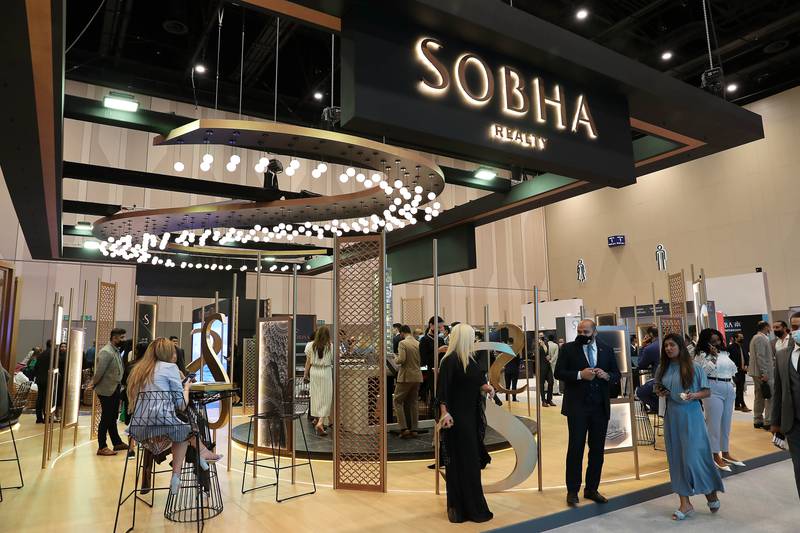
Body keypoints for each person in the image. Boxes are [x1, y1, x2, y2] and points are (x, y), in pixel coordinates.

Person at [126, 338, 222, 495]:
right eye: (174, 351)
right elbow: (181, 404)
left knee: (183, 429)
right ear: (168, 353)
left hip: (139, 429)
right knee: (187, 425)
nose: (176, 355)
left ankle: (194, 459)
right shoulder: (170, 368)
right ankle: (186, 466)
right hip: (163, 425)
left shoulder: (140, 369)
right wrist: (186, 387)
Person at [655, 333, 724, 520]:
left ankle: (710, 491)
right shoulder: (662, 368)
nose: (668, 348)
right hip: (672, 417)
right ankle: (685, 503)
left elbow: (707, 392)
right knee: (676, 459)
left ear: (680, 346)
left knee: (695, 457)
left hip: (692, 416)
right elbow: (657, 388)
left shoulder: (695, 367)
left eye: (672, 345)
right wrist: (660, 391)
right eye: (666, 346)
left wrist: (694, 395)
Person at [554, 319, 620, 507]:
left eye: (586, 332)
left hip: (599, 407)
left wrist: (607, 375)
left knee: (597, 450)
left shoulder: (606, 349)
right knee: (575, 449)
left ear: (594, 332)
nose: (582, 335)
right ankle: (572, 490)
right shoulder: (568, 349)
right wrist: (579, 375)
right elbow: (558, 373)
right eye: (580, 331)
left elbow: (616, 374)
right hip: (577, 408)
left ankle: (592, 488)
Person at [437, 323, 494, 523]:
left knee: (470, 463)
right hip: (457, 419)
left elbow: (477, 382)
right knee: (460, 462)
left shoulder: (470, 360)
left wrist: (487, 387)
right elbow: (442, 391)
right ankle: (460, 507)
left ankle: (471, 505)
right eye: (471, 336)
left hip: (470, 416)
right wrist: (444, 413)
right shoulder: (449, 361)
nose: (474, 340)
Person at [694, 329, 745, 470]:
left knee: (726, 423)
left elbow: (731, 369)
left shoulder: (724, 352)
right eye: (713, 341)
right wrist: (713, 357)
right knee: (714, 424)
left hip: (728, 387)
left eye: (718, 340)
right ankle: (714, 454)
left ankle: (726, 452)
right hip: (712, 388)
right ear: (706, 342)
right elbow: (703, 372)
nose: (716, 343)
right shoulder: (701, 355)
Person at [770, 311, 800, 499]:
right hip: (793, 424)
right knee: (799, 469)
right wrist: (775, 423)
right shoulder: (782, 356)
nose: (798, 331)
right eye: (795, 327)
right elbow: (778, 391)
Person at [88, 328, 128, 456]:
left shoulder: (115, 350)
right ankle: (102, 446)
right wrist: (93, 383)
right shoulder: (106, 352)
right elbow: (99, 372)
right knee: (106, 418)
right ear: (114, 338)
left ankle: (117, 442)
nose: (124, 340)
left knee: (112, 417)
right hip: (107, 390)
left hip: (114, 388)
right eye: (121, 337)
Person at [303, 326, 333, 436]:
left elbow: (308, 362)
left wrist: (305, 375)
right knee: (326, 397)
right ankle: (320, 422)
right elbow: (333, 359)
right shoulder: (330, 346)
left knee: (315, 396)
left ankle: (316, 419)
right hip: (325, 371)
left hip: (314, 371)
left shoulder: (310, 345)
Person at [394, 325, 422, 438]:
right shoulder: (418, 343)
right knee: (413, 402)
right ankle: (414, 429)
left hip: (406, 376)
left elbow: (402, 359)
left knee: (397, 401)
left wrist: (395, 359)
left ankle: (404, 428)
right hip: (417, 376)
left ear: (402, 333)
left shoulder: (402, 343)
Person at [749, 321, 774, 430]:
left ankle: (758, 420)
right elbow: (761, 356)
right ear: (766, 327)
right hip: (762, 373)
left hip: (757, 372)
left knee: (759, 396)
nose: (771, 329)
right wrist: (764, 373)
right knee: (769, 395)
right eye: (770, 327)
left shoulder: (757, 337)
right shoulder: (760, 338)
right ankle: (768, 421)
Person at [420, 316, 446, 411]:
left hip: (440, 371)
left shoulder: (440, 340)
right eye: (438, 327)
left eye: (441, 327)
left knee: (442, 394)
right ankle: (433, 414)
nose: (441, 329)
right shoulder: (424, 340)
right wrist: (437, 351)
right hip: (430, 372)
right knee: (433, 395)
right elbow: (424, 360)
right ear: (431, 325)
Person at [728, 332, 750, 412]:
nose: (742, 338)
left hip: (743, 371)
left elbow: (746, 357)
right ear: (736, 338)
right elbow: (730, 359)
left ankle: (737, 405)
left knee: (740, 388)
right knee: (740, 388)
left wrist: (747, 365)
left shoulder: (743, 347)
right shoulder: (731, 348)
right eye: (740, 337)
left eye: (742, 337)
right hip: (736, 371)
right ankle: (743, 405)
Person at [34, 341, 52, 424]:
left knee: (40, 398)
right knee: (47, 399)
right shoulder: (53, 354)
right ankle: (46, 417)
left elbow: (36, 367)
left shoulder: (41, 354)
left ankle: (39, 418)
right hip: (48, 379)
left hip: (40, 379)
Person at [539, 336, 555, 407]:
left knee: (551, 382)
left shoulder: (546, 343)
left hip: (548, 367)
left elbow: (547, 353)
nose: (541, 335)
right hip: (540, 368)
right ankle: (543, 401)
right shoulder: (536, 344)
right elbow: (534, 354)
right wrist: (540, 346)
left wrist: (549, 357)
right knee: (541, 384)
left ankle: (549, 399)